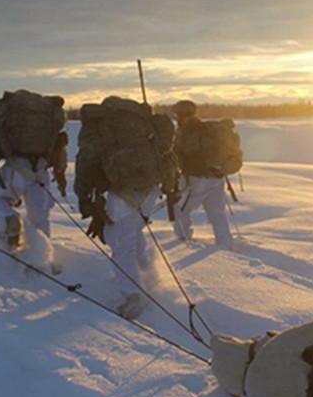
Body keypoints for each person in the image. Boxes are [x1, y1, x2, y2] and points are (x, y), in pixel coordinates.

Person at [75, 96, 177, 319]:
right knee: (132, 232)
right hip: (150, 188)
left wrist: (82, 195)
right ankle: (147, 273)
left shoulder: (98, 125)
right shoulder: (141, 120)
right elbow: (164, 148)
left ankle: (133, 295)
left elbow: (86, 160)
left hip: (119, 191)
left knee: (120, 243)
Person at [0, 90, 68, 257]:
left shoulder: (8, 116)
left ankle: (10, 218)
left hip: (15, 167)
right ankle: (42, 256)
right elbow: (59, 146)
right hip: (40, 169)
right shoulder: (48, 117)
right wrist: (60, 172)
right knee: (39, 216)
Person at [170, 99, 236, 250]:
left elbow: (177, 156)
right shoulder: (207, 129)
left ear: (180, 114)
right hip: (216, 178)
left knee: (180, 208)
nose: (176, 118)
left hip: (195, 180)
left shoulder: (185, 131)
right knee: (217, 212)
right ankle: (225, 242)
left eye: (176, 115)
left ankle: (183, 240)